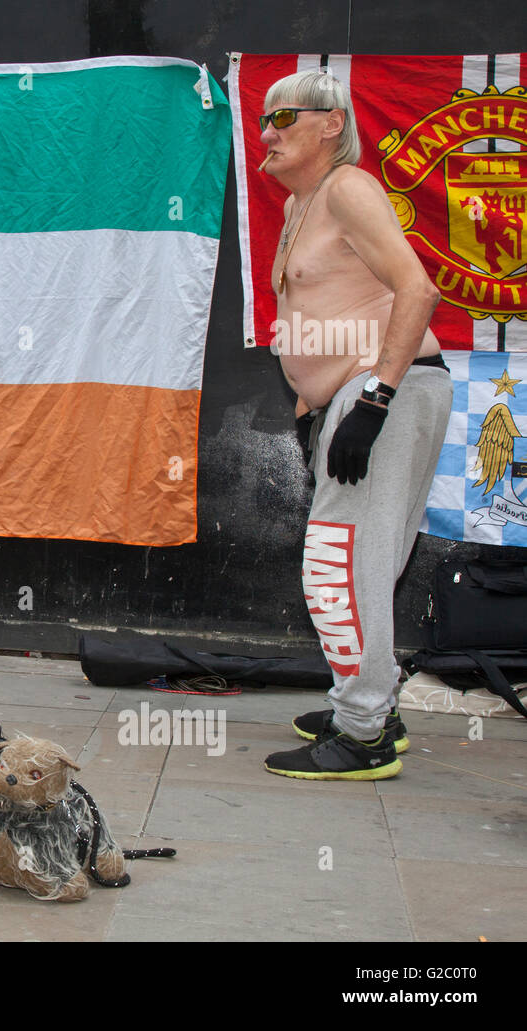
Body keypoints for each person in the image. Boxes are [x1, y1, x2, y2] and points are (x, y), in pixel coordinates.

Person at [256, 71, 452, 781]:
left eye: (282, 118)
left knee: (337, 563)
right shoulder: (302, 205)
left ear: (331, 124)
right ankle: (371, 706)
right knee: (368, 561)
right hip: (366, 396)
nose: (267, 134)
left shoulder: (347, 187)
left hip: (385, 392)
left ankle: (364, 729)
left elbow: (417, 287)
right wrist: (317, 412)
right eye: (263, 121)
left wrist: (372, 401)